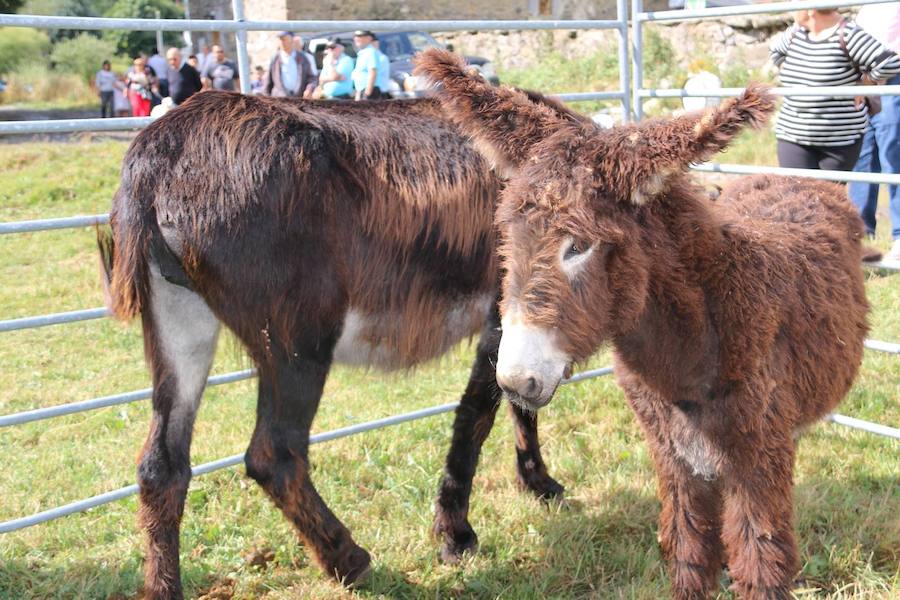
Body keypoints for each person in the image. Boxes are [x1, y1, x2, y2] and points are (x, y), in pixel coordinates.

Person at [770, 9, 900, 171]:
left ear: (810, 9)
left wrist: (865, 84)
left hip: (838, 142)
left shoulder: (848, 35)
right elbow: (775, 53)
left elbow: (889, 63)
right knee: (794, 194)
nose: (791, 8)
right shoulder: (795, 33)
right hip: (793, 136)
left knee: (826, 195)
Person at [849, 2, 900, 261]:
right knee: (863, 153)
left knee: (894, 153)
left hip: (893, 74)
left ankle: (899, 235)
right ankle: (861, 232)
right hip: (865, 75)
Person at [265, 31, 316, 98]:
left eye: (284, 39)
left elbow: (311, 78)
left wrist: (309, 89)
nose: (282, 42)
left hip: (298, 99)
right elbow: (268, 82)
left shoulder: (303, 58)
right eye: (280, 40)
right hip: (279, 99)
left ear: (292, 40)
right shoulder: (275, 59)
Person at [351, 30, 390, 100]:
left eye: (360, 36)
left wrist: (367, 94)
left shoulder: (371, 52)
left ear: (369, 38)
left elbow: (373, 73)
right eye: (355, 36)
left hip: (370, 90)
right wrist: (359, 93)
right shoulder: (363, 53)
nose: (356, 38)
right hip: (363, 90)